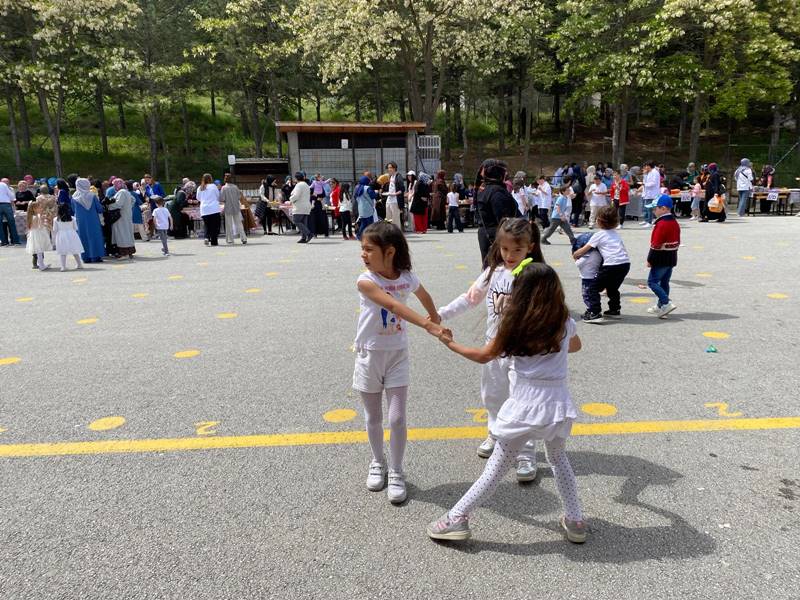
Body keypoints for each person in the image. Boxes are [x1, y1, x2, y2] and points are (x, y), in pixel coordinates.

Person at [427, 262, 586, 543]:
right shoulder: (563, 323)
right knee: (559, 459)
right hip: (558, 405)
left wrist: (449, 342)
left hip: (524, 406)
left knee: (496, 468)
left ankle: (457, 518)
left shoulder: (514, 326)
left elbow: (483, 355)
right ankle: (574, 520)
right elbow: (575, 346)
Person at [438, 218, 544, 480]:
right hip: (493, 347)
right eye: (505, 249)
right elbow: (469, 298)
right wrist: (440, 315)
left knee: (521, 401)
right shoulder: (493, 272)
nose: (509, 255)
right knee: (493, 395)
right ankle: (495, 433)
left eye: (517, 250)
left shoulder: (535, 275)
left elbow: (545, 312)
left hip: (523, 353)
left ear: (530, 247)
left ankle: (525, 453)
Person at [354, 221, 445, 504]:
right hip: (369, 354)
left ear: (389, 251)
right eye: (362, 249)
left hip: (397, 355)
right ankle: (377, 461)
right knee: (374, 417)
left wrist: (435, 315)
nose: (363, 255)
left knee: (397, 418)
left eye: (369, 249)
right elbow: (394, 306)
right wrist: (427, 324)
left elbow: (423, 294)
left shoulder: (406, 276)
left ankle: (396, 470)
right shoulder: (366, 281)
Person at [572, 206, 631, 323]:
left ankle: (594, 312)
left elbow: (585, 249)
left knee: (592, 288)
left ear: (598, 221)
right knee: (612, 287)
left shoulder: (599, 235)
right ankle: (614, 310)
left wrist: (575, 254)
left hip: (611, 265)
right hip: (625, 264)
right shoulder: (615, 234)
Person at [475, 159, 519, 266]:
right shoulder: (496, 192)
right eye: (504, 171)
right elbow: (504, 220)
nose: (506, 173)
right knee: (497, 271)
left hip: (489, 234)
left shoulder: (487, 189)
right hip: (497, 237)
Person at [646, 195, 680, 318]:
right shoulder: (674, 222)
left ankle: (666, 303)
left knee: (652, 282)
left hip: (660, 257)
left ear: (664, 208)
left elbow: (655, 244)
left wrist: (650, 259)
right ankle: (661, 306)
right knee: (665, 281)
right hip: (671, 257)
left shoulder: (661, 224)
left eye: (655, 209)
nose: (653, 211)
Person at [71, 178, 105, 264]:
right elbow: (100, 209)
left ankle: (85, 257)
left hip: (80, 221)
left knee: (83, 237)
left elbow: (72, 210)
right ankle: (96, 256)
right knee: (94, 237)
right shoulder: (92, 195)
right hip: (93, 220)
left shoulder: (74, 197)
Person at [572, 232, 603, 317]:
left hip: (587, 277)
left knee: (587, 295)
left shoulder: (587, 254)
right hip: (595, 276)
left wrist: (575, 258)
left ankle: (593, 311)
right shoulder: (598, 253)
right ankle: (593, 310)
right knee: (593, 294)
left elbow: (579, 264)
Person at [107, 178, 137, 258]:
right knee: (127, 233)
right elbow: (133, 200)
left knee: (122, 234)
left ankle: (124, 253)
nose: (114, 186)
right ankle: (129, 252)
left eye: (114, 185)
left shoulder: (121, 192)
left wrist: (108, 206)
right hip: (126, 215)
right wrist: (128, 207)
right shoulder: (126, 191)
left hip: (121, 217)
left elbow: (118, 204)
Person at [52, 203, 84, 271]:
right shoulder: (72, 218)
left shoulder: (56, 219)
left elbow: (55, 229)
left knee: (62, 251)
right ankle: (79, 264)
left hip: (61, 235)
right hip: (72, 234)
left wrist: (53, 240)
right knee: (74, 250)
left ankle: (63, 266)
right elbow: (76, 228)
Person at [221, 174, 247, 245]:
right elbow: (239, 197)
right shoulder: (235, 187)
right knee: (239, 223)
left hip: (228, 207)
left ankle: (230, 239)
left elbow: (222, 199)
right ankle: (243, 238)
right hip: (236, 207)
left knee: (229, 224)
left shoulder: (224, 188)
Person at [25, 200, 52, 270]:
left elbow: (30, 227)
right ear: (34, 209)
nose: (41, 209)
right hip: (38, 233)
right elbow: (39, 226)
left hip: (33, 234)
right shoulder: (37, 217)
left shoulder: (31, 216)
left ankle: (40, 264)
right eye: (39, 208)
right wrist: (44, 222)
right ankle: (41, 265)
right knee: (39, 250)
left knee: (38, 250)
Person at [197, 173, 222, 246]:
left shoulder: (200, 187)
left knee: (207, 225)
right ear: (210, 179)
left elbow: (198, 198)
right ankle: (214, 241)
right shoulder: (213, 186)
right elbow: (218, 196)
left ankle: (206, 237)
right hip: (214, 208)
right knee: (215, 225)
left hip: (204, 209)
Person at [289, 171, 312, 243]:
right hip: (306, 206)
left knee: (296, 221)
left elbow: (296, 195)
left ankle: (309, 233)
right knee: (303, 222)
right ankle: (303, 238)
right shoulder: (306, 185)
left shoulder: (299, 185)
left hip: (300, 206)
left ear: (296, 178)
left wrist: (290, 199)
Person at [355, 175, 377, 240]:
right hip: (368, 209)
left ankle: (359, 236)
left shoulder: (357, 188)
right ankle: (370, 237)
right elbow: (373, 196)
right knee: (370, 224)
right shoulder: (367, 188)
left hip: (361, 208)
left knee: (363, 223)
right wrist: (377, 193)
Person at [383, 162, 405, 230]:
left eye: (390, 168)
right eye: (388, 168)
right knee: (388, 218)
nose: (389, 169)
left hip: (395, 201)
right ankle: (389, 232)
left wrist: (394, 194)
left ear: (394, 168)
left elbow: (402, 189)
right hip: (389, 200)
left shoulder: (398, 176)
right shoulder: (390, 176)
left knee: (395, 219)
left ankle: (397, 233)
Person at [639, 161, 660, 227]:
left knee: (650, 208)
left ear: (649, 166)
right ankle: (648, 220)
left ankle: (649, 222)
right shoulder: (650, 172)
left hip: (652, 193)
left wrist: (645, 184)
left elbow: (653, 183)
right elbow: (645, 181)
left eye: (646, 166)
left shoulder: (655, 172)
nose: (645, 168)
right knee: (647, 207)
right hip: (648, 193)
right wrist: (645, 175)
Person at [0, 179, 21, 246]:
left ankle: (3, 241)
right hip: (6, 204)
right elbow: (11, 195)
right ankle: (15, 241)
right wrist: (13, 200)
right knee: (12, 223)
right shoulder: (3, 184)